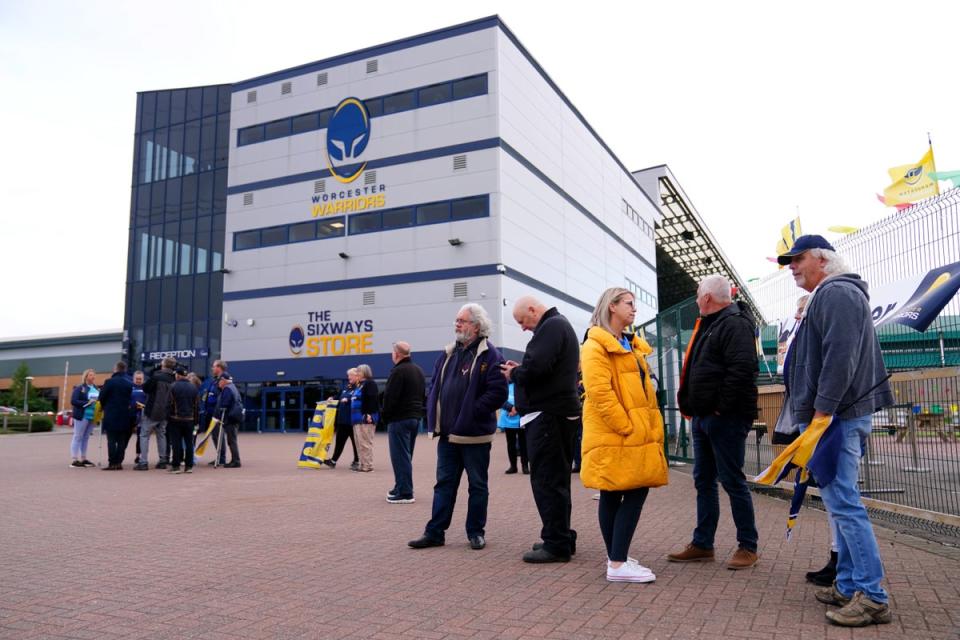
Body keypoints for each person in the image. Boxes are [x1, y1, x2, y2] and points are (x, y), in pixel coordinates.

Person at [778, 234, 894, 626]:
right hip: (836, 415)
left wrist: (821, 412)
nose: (791, 266)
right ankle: (848, 584)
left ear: (823, 260)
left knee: (844, 504)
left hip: (837, 416)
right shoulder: (832, 294)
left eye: (798, 259)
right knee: (839, 502)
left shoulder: (837, 294)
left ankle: (872, 595)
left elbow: (839, 357)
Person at [667, 274, 760, 570]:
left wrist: (721, 409)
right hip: (703, 417)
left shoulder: (734, 324)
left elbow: (743, 370)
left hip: (724, 419)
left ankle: (748, 546)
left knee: (733, 481)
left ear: (706, 297)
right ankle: (703, 544)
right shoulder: (711, 324)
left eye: (697, 294)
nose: (696, 299)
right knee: (704, 481)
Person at [581, 287, 669, 582]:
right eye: (629, 304)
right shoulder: (595, 346)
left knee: (615, 491)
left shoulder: (628, 344)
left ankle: (615, 557)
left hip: (627, 432)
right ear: (612, 307)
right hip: (617, 433)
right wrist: (627, 426)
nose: (634, 310)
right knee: (632, 489)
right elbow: (600, 393)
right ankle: (617, 564)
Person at [408, 303, 507, 551]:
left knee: (478, 486)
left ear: (476, 326)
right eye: (456, 320)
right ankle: (434, 532)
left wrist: (471, 412)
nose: (457, 324)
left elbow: (498, 393)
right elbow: (435, 386)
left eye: (462, 321)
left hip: (474, 436)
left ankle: (475, 532)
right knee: (444, 484)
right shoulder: (449, 352)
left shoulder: (490, 354)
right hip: (448, 436)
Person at [501, 295, 580, 564]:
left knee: (547, 480)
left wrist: (515, 374)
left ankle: (556, 543)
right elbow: (545, 367)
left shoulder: (552, 327)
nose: (523, 328)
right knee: (556, 479)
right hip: (556, 414)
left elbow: (538, 369)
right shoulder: (558, 326)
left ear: (533, 310)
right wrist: (523, 369)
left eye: (522, 321)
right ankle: (560, 536)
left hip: (548, 416)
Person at [383, 341, 426, 504]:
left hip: (399, 419)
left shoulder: (398, 371)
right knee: (406, 456)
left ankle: (406, 492)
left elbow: (390, 397)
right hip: (414, 418)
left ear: (396, 354)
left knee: (400, 457)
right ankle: (400, 486)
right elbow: (423, 395)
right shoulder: (418, 370)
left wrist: (385, 417)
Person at [137, 357, 176, 470]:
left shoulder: (156, 377)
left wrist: (154, 371)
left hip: (152, 410)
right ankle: (163, 460)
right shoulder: (173, 379)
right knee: (161, 434)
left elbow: (145, 388)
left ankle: (143, 462)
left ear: (163, 365)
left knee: (144, 435)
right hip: (166, 411)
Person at [98, 361, 134, 470]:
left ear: (115, 369)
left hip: (111, 414)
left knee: (112, 440)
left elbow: (101, 397)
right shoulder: (129, 383)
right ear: (125, 369)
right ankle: (119, 462)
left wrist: (104, 406)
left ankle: (112, 462)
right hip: (125, 414)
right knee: (122, 440)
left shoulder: (109, 382)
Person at [323, 369, 360, 469]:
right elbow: (339, 396)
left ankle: (357, 461)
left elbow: (359, 399)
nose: (349, 378)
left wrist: (348, 400)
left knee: (356, 443)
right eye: (348, 376)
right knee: (339, 442)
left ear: (357, 376)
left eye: (351, 376)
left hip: (353, 421)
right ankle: (333, 461)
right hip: (342, 420)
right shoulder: (346, 387)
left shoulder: (359, 388)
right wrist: (332, 398)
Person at [168, 366, 199, 474]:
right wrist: (196, 421)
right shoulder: (193, 388)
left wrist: (168, 417)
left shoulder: (173, 386)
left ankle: (176, 466)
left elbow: (169, 404)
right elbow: (196, 406)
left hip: (175, 419)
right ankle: (189, 466)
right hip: (190, 419)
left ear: (177, 375)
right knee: (189, 443)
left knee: (176, 443)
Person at [69, 369, 99, 468]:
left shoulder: (97, 389)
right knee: (78, 436)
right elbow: (73, 401)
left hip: (92, 416)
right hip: (82, 415)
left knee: (86, 437)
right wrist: (87, 402)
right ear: (86, 377)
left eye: (94, 375)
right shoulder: (80, 388)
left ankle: (83, 458)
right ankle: (74, 459)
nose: (93, 377)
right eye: (90, 375)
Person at [352, 364, 380, 473]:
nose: (357, 374)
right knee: (359, 443)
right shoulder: (359, 385)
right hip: (356, 419)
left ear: (364, 373)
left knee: (365, 443)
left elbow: (372, 399)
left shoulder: (370, 384)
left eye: (359, 372)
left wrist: (368, 414)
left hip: (365, 418)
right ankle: (362, 464)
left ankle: (368, 465)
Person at [214, 372, 243, 468]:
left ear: (223, 380)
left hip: (230, 418)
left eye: (219, 381)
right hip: (234, 417)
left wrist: (220, 409)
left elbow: (225, 403)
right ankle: (235, 460)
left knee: (231, 440)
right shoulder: (233, 387)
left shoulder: (227, 389)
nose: (218, 383)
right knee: (232, 439)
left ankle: (236, 460)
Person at [199, 360, 225, 465]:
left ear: (219, 367)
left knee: (218, 436)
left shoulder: (222, 380)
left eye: (214, 367)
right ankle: (219, 457)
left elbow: (221, 397)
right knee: (215, 436)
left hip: (216, 414)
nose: (212, 368)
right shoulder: (214, 381)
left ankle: (221, 458)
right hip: (210, 413)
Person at [498, 382, 527, 475]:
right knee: (510, 444)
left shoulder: (523, 384)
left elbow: (527, 398)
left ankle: (525, 466)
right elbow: (499, 398)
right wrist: (510, 408)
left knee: (524, 443)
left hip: (521, 417)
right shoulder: (503, 384)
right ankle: (513, 466)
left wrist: (517, 409)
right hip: (507, 416)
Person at [130, 371, 146, 464]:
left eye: (140, 379)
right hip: (130, 415)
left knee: (140, 436)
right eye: (137, 379)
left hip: (142, 415)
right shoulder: (129, 387)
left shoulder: (145, 388)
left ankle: (138, 455)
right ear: (134, 379)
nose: (138, 380)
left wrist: (144, 405)